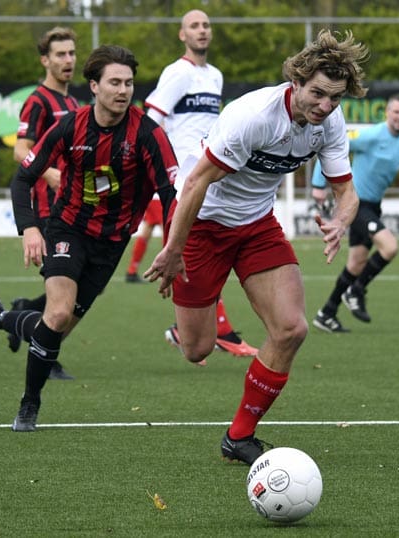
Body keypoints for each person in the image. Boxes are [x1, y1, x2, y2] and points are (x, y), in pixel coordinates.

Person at [144, 30, 367, 464]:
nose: (324, 106)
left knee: (292, 328)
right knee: (198, 349)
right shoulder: (253, 116)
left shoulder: (329, 124)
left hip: (257, 226)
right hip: (202, 223)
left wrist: (341, 222)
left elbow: (347, 191)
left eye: (335, 98)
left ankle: (238, 436)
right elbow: (195, 183)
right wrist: (173, 248)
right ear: (296, 82)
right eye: (317, 93)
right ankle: (208, 297)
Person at [0, 45, 179, 432]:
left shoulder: (148, 134)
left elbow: (174, 194)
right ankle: (29, 405)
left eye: (129, 83)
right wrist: (31, 228)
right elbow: (22, 178)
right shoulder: (71, 126)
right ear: (94, 86)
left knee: (56, 328)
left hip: (112, 243)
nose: (123, 90)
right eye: (115, 82)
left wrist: (174, 248)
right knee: (56, 314)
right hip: (67, 228)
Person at [131, 8, 257, 359]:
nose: (202, 31)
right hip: (181, 177)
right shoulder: (177, 73)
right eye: (194, 26)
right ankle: (223, 332)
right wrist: (158, 167)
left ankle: (188, 329)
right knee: (198, 250)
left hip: (210, 173)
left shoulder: (214, 76)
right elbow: (152, 118)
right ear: (182, 35)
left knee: (202, 251)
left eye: (206, 25)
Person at [311, 93, 399, 333]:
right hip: (355, 203)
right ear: (387, 112)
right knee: (390, 247)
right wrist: (318, 184)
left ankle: (327, 312)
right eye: (396, 112)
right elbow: (332, 146)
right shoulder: (371, 135)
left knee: (356, 263)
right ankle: (356, 290)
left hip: (373, 206)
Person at [4, 27, 81, 378]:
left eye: (71, 53)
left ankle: (22, 311)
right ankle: (47, 356)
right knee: (66, 289)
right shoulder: (38, 100)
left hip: (73, 206)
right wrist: (48, 173)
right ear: (45, 60)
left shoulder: (72, 103)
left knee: (75, 286)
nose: (68, 60)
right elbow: (21, 149)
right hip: (49, 210)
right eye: (60, 54)